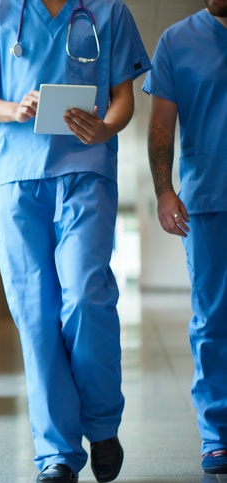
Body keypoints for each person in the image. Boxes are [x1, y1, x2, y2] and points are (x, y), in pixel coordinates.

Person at [0, 1, 151, 482]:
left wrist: (105, 127)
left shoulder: (109, 12)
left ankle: (101, 424)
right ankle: (57, 454)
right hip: (18, 181)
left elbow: (123, 98)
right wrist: (12, 108)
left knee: (85, 296)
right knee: (35, 314)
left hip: (86, 172)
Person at [141, 1, 227, 475]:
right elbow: (160, 126)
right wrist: (164, 190)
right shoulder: (177, 40)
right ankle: (218, 435)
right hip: (210, 200)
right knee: (213, 321)